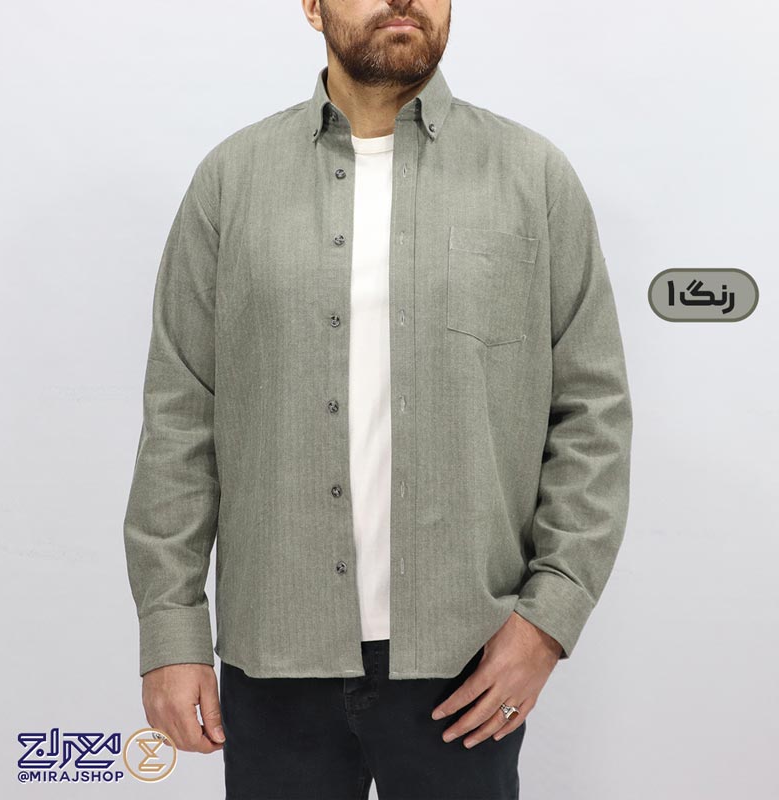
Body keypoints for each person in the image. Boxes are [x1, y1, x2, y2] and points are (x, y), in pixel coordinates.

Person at [122, 1, 634, 798]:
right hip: (273, 656)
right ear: (312, 6)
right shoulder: (232, 180)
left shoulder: (532, 178)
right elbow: (181, 416)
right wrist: (171, 630)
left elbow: (592, 415)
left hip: (465, 661)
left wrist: (546, 623)